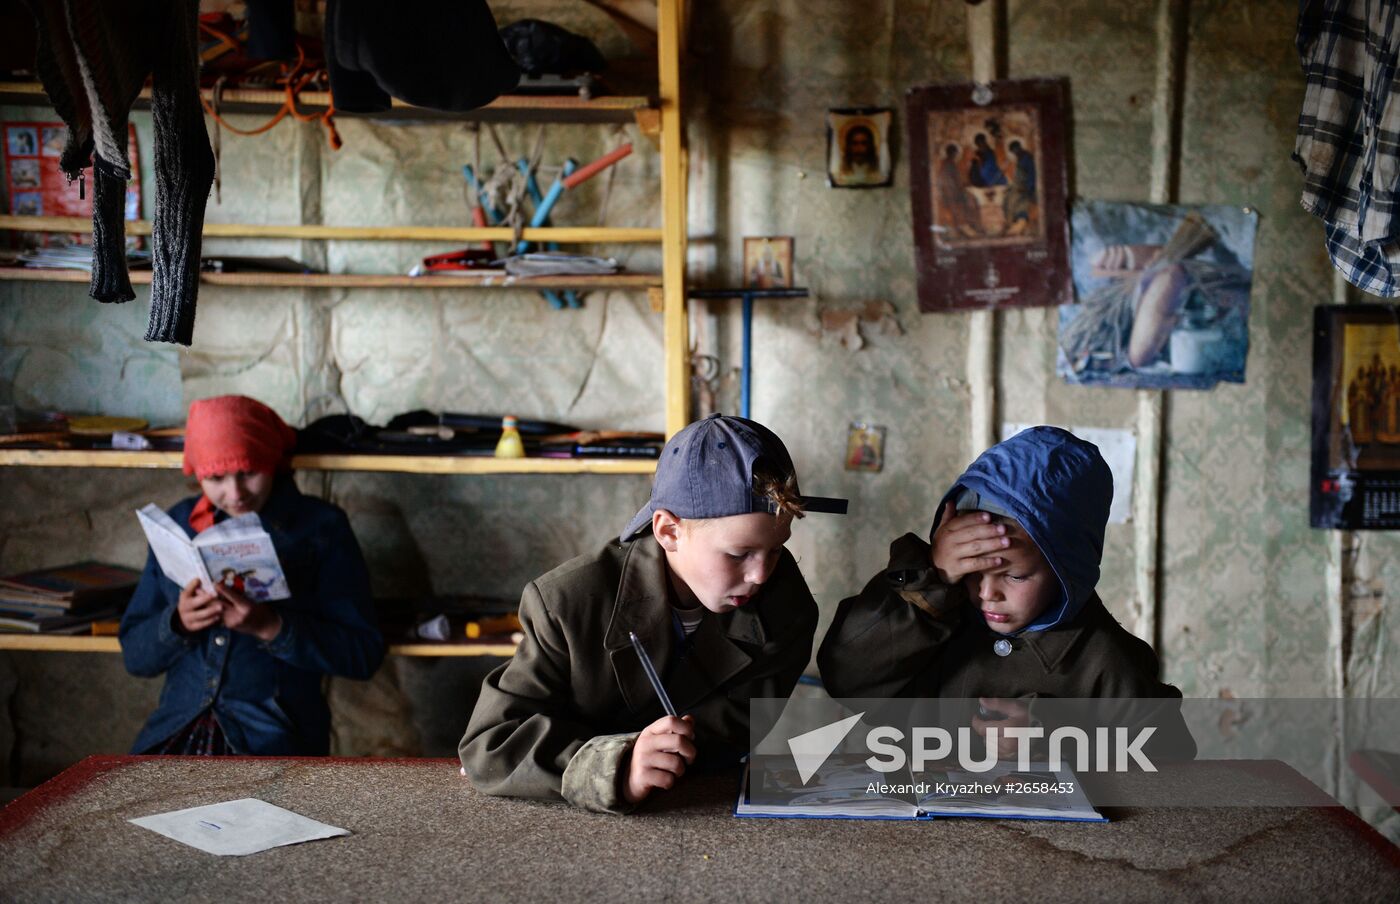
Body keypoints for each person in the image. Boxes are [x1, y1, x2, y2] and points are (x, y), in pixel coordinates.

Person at [460, 414, 844, 813]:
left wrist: (665, 756)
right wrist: (617, 766)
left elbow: (736, 733)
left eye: (776, 549)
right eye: (738, 554)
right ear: (668, 532)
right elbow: (491, 743)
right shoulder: (567, 602)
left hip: (696, 811)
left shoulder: (786, 609)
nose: (760, 575)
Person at [818, 426, 1194, 762]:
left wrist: (1056, 734)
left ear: (1068, 571)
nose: (987, 593)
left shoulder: (1104, 657)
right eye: (971, 571)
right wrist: (934, 578)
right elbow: (845, 677)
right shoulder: (934, 617)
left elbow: (1172, 754)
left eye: (1014, 576)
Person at [120, 395, 385, 756]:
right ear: (198, 475)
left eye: (249, 472)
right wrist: (178, 622)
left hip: (275, 740)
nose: (235, 493)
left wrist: (272, 627)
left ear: (273, 462)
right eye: (215, 478)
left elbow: (362, 655)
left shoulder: (321, 527)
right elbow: (135, 658)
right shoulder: (178, 526)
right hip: (176, 731)